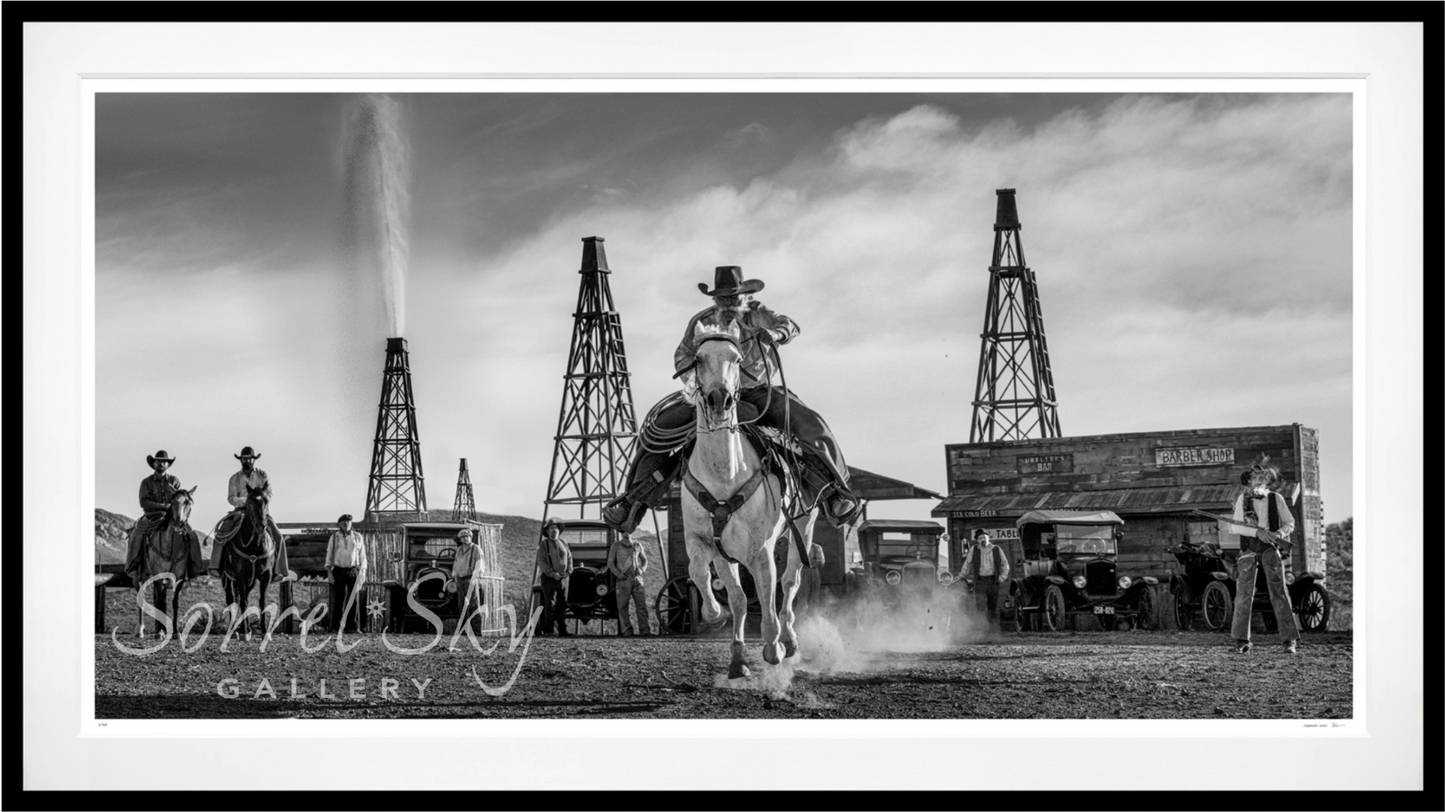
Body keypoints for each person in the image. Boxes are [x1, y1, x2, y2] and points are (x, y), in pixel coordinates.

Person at [602, 266, 860, 534]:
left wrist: (775, 335)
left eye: (732, 297)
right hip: (709, 395)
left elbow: (790, 325)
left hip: (758, 392)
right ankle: (633, 502)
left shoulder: (759, 314)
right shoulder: (700, 321)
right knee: (657, 432)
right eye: (721, 298)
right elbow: (682, 354)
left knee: (809, 424)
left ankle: (834, 494)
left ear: (744, 296)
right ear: (714, 299)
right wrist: (696, 372)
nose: (726, 303)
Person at [1229, 458, 1300, 654]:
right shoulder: (1243, 500)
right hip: (1249, 550)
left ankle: (1289, 641)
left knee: (1279, 594)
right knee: (1243, 595)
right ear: (1249, 481)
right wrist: (1255, 532)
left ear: (1266, 481)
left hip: (1270, 549)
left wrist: (1278, 535)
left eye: (1261, 478)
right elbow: (1235, 526)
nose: (1257, 482)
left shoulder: (1276, 499)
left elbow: (1290, 523)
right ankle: (1241, 641)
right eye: (1253, 479)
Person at [209, 446, 291, 581]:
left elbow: (269, 494)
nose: (247, 461)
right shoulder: (234, 478)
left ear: (254, 460)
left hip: (260, 511)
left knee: (278, 536)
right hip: (240, 511)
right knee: (221, 532)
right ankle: (216, 566)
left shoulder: (263, 475)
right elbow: (231, 498)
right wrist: (246, 502)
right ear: (241, 460)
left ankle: (278, 571)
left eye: (250, 458)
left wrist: (257, 501)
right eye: (245, 458)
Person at [124, 450, 202, 582]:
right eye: (158, 461)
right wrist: (163, 506)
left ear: (168, 464)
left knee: (192, 534)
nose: (161, 463)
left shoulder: (175, 481)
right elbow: (144, 502)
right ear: (154, 464)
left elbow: (179, 500)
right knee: (137, 533)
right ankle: (133, 566)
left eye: (163, 461)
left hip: (172, 516)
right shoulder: (146, 483)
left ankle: (193, 567)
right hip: (151, 516)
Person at [324, 514, 367, 633]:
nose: (346, 524)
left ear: (351, 523)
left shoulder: (358, 537)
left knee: (353, 599)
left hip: (352, 569)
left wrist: (362, 573)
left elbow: (362, 556)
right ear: (339, 524)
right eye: (343, 522)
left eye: (348, 522)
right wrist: (329, 572)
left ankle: (352, 626)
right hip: (338, 570)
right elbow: (329, 554)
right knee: (337, 600)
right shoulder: (334, 537)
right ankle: (335, 626)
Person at [960, 529, 1010, 631]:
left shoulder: (997, 549)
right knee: (980, 605)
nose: (983, 539)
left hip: (994, 581)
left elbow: (1005, 564)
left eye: (984, 537)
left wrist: (1002, 577)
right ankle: (981, 628)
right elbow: (967, 564)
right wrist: (962, 575)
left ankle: (991, 628)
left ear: (988, 538)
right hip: (980, 581)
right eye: (980, 538)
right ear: (977, 541)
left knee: (992, 605)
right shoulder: (974, 549)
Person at [606, 532, 653, 636]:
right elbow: (610, 562)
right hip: (623, 580)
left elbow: (644, 559)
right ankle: (627, 630)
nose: (626, 532)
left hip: (637, 579)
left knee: (641, 606)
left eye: (628, 530)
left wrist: (642, 570)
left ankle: (645, 630)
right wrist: (618, 574)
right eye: (624, 530)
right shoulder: (616, 546)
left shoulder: (637, 545)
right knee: (622, 606)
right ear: (621, 532)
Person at [535, 517, 573, 636]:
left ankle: (563, 631)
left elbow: (570, 558)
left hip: (563, 579)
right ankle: (549, 631)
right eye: (551, 528)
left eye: (556, 528)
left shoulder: (564, 543)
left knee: (562, 605)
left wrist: (569, 571)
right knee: (550, 605)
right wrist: (552, 573)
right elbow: (541, 561)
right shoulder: (544, 544)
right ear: (547, 531)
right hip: (549, 579)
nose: (554, 530)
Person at [450, 527, 485, 635]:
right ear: (460, 539)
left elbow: (479, 564)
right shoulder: (460, 549)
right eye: (463, 537)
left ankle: (477, 632)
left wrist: (474, 577)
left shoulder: (476, 549)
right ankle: (464, 630)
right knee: (461, 606)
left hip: (471, 578)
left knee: (473, 605)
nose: (465, 539)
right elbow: (456, 564)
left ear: (470, 537)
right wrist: (455, 575)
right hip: (460, 579)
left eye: (467, 536)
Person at [795, 540, 827, 618]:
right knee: (802, 597)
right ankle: (799, 620)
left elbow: (821, 561)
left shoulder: (817, 547)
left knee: (814, 597)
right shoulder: (799, 547)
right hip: (803, 572)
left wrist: (809, 564)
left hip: (814, 571)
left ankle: (813, 619)